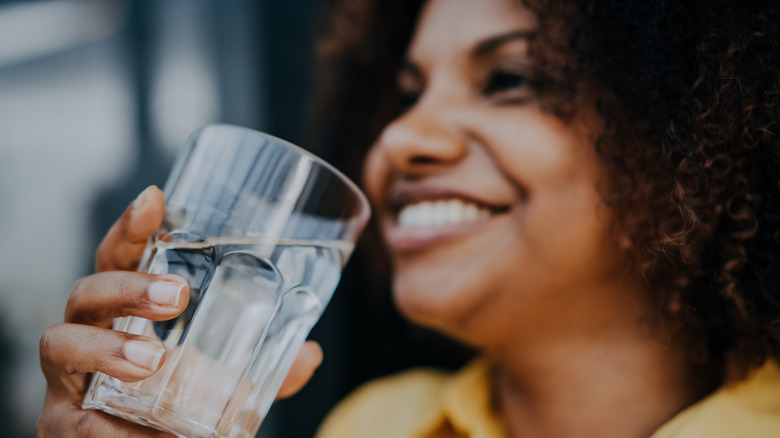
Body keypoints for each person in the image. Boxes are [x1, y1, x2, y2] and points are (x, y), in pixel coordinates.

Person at [39, 0, 780, 437]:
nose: (398, 140)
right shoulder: (375, 425)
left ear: (690, 133)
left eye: (510, 79)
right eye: (407, 95)